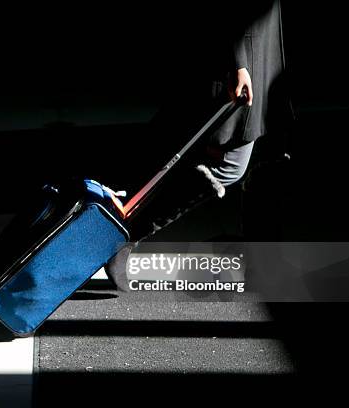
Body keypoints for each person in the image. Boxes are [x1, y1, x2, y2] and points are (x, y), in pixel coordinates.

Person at [105, 0, 294, 289]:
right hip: (244, 56)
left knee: (250, 151)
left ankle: (262, 247)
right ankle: (126, 234)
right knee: (228, 164)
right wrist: (238, 62)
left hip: (259, 50)